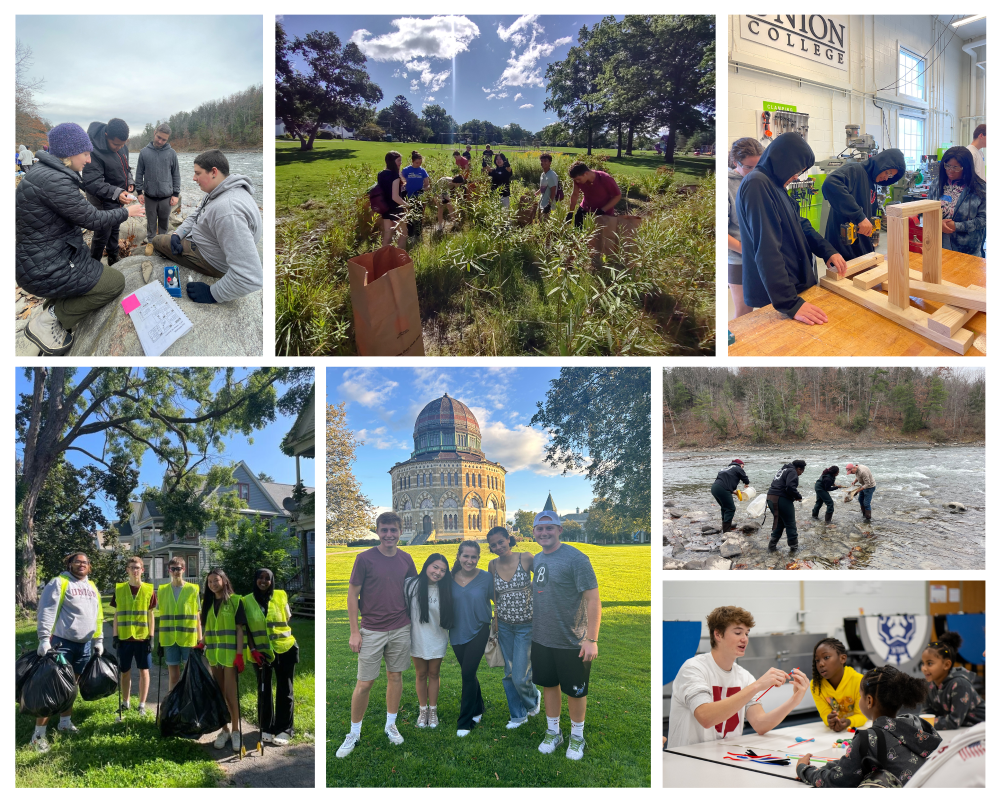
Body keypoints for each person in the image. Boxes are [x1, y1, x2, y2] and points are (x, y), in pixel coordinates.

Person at [16, 123, 144, 355]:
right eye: (85, 154)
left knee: (94, 270)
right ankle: (46, 322)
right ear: (69, 153)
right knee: (115, 283)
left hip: (42, 258)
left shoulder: (44, 172)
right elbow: (92, 219)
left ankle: (51, 312)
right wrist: (128, 212)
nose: (88, 160)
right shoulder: (54, 181)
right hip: (46, 267)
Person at [736, 132, 847, 325]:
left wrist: (827, 251)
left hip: (792, 286)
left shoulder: (775, 185)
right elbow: (767, 248)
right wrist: (790, 303)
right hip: (777, 295)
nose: (796, 176)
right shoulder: (757, 184)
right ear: (783, 160)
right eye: (796, 170)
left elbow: (801, 223)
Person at [668, 605, 809, 748]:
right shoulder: (693, 668)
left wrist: (794, 700)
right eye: (738, 633)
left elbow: (760, 724)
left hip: (723, 760)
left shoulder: (744, 676)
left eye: (747, 634)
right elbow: (706, 717)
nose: (745, 639)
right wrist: (757, 686)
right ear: (718, 635)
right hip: (687, 759)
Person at [337, 512, 418, 758]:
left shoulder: (406, 559)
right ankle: (354, 732)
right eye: (384, 530)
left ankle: (390, 724)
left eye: (393, 530)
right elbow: (352, 595)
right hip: (371, 629)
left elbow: (415, 593)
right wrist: (354, 631)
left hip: (401, 627)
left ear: (400, 531)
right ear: (377, 531)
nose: (389, 535)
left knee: (395, 676)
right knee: (365, 683)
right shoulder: (365, 559)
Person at [796, 665, 941, 787]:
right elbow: (851, 763)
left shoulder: (867, 738)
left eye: (860, 695)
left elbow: (836, 781)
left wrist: (804, 770)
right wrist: (831, 766)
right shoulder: (914, 725)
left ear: (869, 701)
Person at [150, 149, 264, 303]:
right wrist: (178, 234)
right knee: (171, 237)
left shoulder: (228, 210)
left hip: (212, 260)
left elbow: (251, 277)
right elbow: (196, 214)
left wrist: (213, 293)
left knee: (158, 240)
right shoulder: (221, 190)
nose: (194, 178)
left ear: (213, 172)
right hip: (211, 244)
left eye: (198, 173)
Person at [530, 510, 601, 761]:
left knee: (575, 690)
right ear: (534, 532)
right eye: (540, 528)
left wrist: (591, 639)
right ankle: (553, 732)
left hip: (572, 640)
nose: (544, 533)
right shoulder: (537, 558)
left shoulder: (576, 559)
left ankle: (577, 736)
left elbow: (592, 599)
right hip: (541, 637)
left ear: (560, 530)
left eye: (550, 528)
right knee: (549, 685)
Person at [31, 552, 105, 752]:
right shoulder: (59, 582)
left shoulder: (92, 587)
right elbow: (46, 610)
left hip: (84, 645)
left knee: (71, 686)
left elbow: (98, 615)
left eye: (85, 562)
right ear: (70, 564)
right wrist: (44, 639)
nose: (82, 564)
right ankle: (38, 736)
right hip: (62, 643)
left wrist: (98, 639)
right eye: (77, 561)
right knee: (53, 688)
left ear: (89, 566)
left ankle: (64, 722)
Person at [486, 527, 540, 730]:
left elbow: (544, 578)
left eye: (501, 542)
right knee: (509, 673)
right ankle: (518, 716)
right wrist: (496, 618)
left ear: (509, 539)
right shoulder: (492, 565)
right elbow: (494, 595)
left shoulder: (526, 558)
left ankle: (533, 697)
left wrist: (535, 593)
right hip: (505, 626)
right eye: (493, 545)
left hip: (527, 625)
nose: (498, 547)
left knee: (520, 675)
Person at [242, 568, 298, 745]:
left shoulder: (281, 595)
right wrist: (253, 650)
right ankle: (266, 726)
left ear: (272, 581)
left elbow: (287, 618)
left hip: (285, 648)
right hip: (261, 653)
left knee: (285, 690)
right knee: (263, 690)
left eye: (267, 578)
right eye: (260, 578)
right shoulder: (246, 601)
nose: (264, 581)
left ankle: (285, 729)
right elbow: (246, 630)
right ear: (255, 579)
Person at [822, 149, 906, 260]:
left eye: (890, 176)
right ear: (882, 163)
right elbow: (830, 183)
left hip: (860, 248)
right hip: (844, 249)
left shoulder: (872, 182)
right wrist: (859, 217)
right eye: (887, 172)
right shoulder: (855, 170)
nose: (886, 178)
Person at [404, 553, 454, 730]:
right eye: (435, 567)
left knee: (434, 674)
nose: (438, 572)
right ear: (426, 565)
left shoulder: (446, 588)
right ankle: (423, 710)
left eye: (442, 570)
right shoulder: (411, 585)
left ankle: (433, 710)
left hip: (437, 637)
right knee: (420, 674)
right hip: (416, 636)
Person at [450, 541, 494, 737]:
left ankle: (465, 721)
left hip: (479, 629)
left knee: (467, 673)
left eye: (473, 557)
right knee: (469, 673)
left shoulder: (486, 578)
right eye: (466, 556)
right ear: (459, 556)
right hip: (456, 632)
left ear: (478, 558)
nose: (469, 560)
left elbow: (499, 600)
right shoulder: (448, 578)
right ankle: (478, 708)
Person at [199, 568, 246, 753]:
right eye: (209, 582)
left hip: (230, 656)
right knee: (219, 695)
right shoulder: (208, 603)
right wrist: (201, 643)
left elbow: (240, 630)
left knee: (230, 695)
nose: (212, 584)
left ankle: (236, 731)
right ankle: (224, 730)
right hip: (214, 656)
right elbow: (208, 629)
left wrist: (240, 655)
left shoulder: (235, 601)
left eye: (216, 581)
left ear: (224, 581)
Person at [82, 118, 136, 266]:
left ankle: (113, 257)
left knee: (116, 225)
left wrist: (130, 181)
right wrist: (117, 192)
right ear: (106, 135)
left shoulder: (122, 146)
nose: (119, 147)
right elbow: (93, 182)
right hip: (101, 198)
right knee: (103, 232)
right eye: (116, 144)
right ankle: (93, 265)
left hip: (117, 196)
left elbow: (126, 169)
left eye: (123, 144)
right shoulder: (93, 150)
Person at [111, 556, 155, 719]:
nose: (135, 570)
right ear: (127, 570)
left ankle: (142, 705)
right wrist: (115, 636)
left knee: (144, 671)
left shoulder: (149, 590)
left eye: (137, 567)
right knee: (125, 672)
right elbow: (116, 615)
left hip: (142, 639)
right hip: (124, 638)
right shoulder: (120, 589)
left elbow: (151, 616)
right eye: (132, 567)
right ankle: (125, 702)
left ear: (142, 570)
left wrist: (151, 637)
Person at [926, 145, 986, 258]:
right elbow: (927, 210)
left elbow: (984, 220)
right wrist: (937, 223)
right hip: (938, 245)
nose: (950, 171)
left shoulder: (980, 188)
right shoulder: (937, 183)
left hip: (967, 250)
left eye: (956, 167)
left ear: (966, 168)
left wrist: (957, 226)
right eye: (947, 166)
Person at [727, 138, 764, 318]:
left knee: (768, 308)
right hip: (739, 259)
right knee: (744, 312)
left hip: (763, 256)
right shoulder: (726, 185)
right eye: (749, 167)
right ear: (735, 162)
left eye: (758, 166)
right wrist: (747, 251)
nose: (754, 172)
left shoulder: (761, 180)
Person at [920, 632, 986, 729]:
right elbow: (925, 715)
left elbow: (953, 722)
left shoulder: (960, 684)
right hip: (962, 730)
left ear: (946, 665)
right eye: (923, 663)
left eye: (929, 664)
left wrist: (922, 723)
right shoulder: (929, 685)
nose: (924, 668)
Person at [156, 556, 201, 692]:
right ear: (169, 570)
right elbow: (161, 616)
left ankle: (189, 704)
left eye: (178, 568)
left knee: (189, 675)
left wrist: (200, 641)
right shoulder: (162, 590)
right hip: (169, 640)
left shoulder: (193, 589)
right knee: (174, 676)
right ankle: (173, 706)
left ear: (184, 569)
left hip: (188, 640)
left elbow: (197, 617)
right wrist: (159, 641)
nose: (176, 571)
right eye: (173, 569)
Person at [135, 123, 180, 243]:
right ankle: (151, 243)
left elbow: (176, 174)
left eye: (164, 139)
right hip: (149, 196)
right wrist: (139, 192)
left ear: (167, 139)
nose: (160, 141)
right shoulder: (144, 152)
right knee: (151, 222)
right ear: (155, 132)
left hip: (166, 197)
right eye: (158, 137)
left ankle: (162, 243)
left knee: (164, 222)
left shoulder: (172, 153)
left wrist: (175, 194)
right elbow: (139, 173)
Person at [810, 637, 866, 731]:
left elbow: (862, 715)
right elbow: (824, 713)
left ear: (842, 658)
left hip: (858, 730)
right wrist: (829, 720)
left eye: (826, 657)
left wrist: (848, 722)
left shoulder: (859, 681)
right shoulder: (816, 685)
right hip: (832, 734)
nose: (821, 664)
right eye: (817, 660)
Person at [766, 459, 807, 552]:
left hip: (770, 498)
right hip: (781, 499)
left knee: (780, 523)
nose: (800, 474)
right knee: (790, 523)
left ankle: (771, 547)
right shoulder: (792, 471)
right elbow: (790, 486)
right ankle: (794, 549)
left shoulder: (783, 470)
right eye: (801, 472)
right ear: (799, 469)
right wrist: (798, 496)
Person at [566, 162, 621, 228]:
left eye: (578, 179)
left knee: (600, 236)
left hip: (604, 212)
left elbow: (617, 196)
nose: (577, 181)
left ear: (586, 174)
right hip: (586, 208)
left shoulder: (605, 178)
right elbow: (575, 194)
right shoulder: (578, 180)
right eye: (575, 180)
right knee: (578, 230)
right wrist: (571, 212)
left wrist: (603, 210)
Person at [710, 458, 750, 533]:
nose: (742, 468)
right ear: (740, 465)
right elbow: (744, 477)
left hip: (714, 488)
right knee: (731, 508)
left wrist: (734, 492)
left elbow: (723, 482)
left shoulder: (724, 469)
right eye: (743, 466)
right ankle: (726, 531)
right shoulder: (737, 467)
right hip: (722, 489)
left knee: (724, 508)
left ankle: (724, 526)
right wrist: (746, 484)